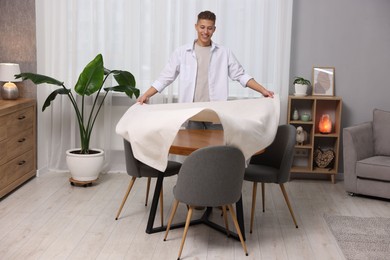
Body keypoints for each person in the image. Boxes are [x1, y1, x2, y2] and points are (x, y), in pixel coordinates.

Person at [138, 10, 274, 129]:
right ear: (196, 27)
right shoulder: (181, 52)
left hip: (216, 114)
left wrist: (263, 90)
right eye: (202, 27)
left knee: (216, 153)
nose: (205, 32)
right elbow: (165, 78)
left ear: (214, 29)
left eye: (209, 28)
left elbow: (241, 75)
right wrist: (146, 95)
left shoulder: (224, 53)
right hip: (191, 114)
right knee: (193, 154)